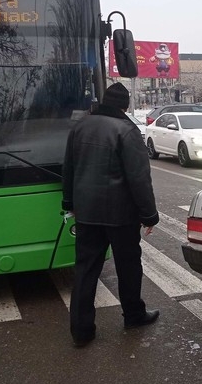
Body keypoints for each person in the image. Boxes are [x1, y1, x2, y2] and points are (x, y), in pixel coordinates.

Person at [62, 82, 160, 347]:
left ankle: (81, 331)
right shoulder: (127, 131)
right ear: (125, 106)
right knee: (128, 267)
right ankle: (134, 315)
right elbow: (139, 179)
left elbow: (69, 168)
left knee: (85, 270)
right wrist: (149, 215)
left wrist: (68, 202)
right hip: (121, 215)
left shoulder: (80, 126)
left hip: (86, 213)